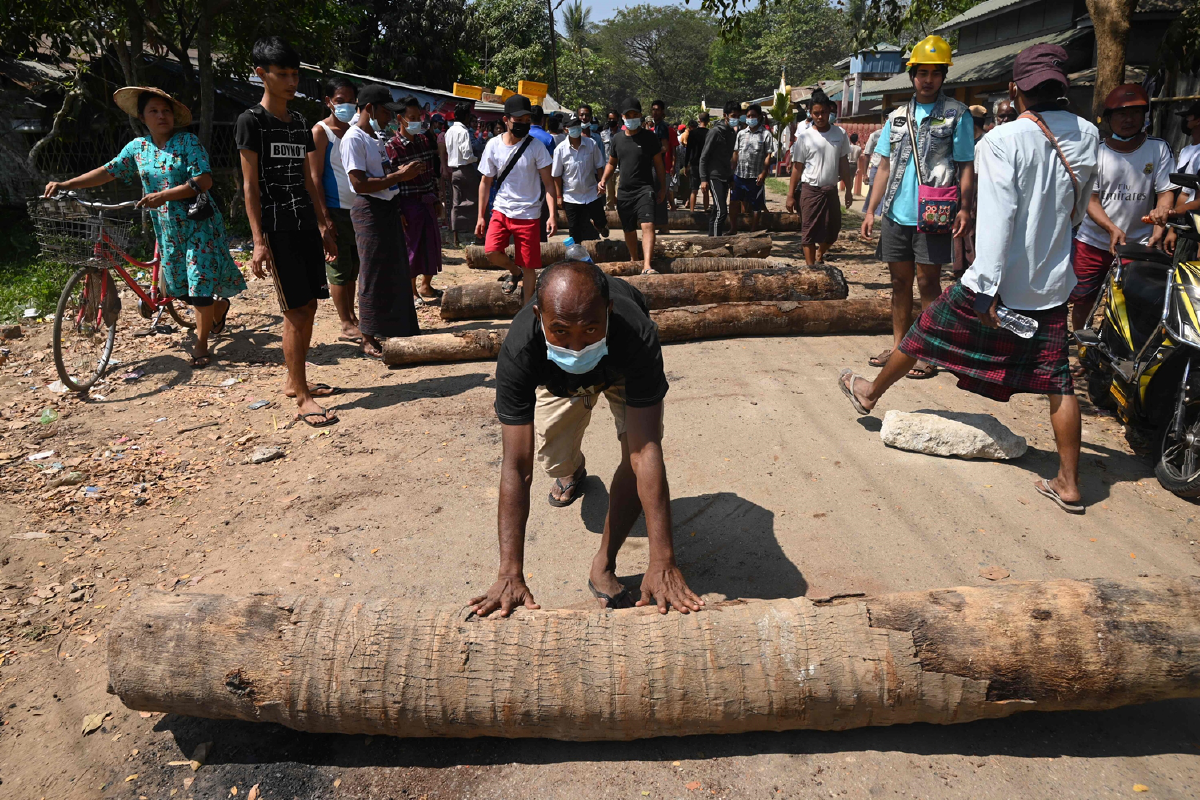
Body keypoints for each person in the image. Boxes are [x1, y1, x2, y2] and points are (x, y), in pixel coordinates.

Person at [839, 43, 1099, 514]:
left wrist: (987, 291)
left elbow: (997, 221)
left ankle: (870, 391)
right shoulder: (1087, 134)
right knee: (1058, 380)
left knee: (925, 331)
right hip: (1052, 282)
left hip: (994, 283)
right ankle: (1069, 481)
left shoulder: (1001, 141)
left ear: (1016, 88)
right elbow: (1078, 212)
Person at [471, 260, 703, 616]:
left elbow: (644, 452)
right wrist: (508, 573)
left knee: (635, 456)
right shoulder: (521, 348)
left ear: (608, 312)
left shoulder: (636, 333)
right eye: (561, 331)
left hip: (620, 367)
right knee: (553, 459)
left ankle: (604, 565)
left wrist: (663, 561)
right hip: (554, 379)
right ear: (538, 315)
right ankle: (573, 471)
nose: (577, 347)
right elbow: (517, 467)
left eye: (591, 329)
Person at [45, 86, 245, 369]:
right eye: (154, 111)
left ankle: (201, 347)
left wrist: (163, 196)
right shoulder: (137, 148)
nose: (161, 116)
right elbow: (107, 171)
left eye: (166, 111)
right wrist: (67, 183)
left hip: (199, 225)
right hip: (167, 229)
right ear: (142, 116)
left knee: (199, 285)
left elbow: (204, 181)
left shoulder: (188, 142)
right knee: (180, 288)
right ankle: (219, 308)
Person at [236, 37, 339, 427]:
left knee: (308, 305)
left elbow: (308, 181)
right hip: (276, 229)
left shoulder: (298, 123)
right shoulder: (251, 122)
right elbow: (249, 186)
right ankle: (303, 396)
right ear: (261, 74)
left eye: (295, 74)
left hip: (303, 226)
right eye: (283, 74)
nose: (291, 81)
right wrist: (258, 242)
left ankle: (295, 382)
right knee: (295, 310)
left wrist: (322, 226)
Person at [861, 35, 976, 380]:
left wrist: (965, 208)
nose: (927, 79)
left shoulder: (958, 114)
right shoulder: (896, 117)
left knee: (928, 283)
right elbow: (883, 166)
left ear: (943, 76)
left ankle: (927, 352)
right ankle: (899, 347)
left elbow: (966, 165)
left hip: (935, 214)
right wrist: (870, 210)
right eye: (921, 72)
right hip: (897, 213)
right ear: (912, 75)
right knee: (899, 283)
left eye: (934, 73)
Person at [1070, 84, 1176, 333]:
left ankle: (1117, 348)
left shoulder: (1158, 148)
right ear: (1108, 118)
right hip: (1093, 241)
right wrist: (1110, 228)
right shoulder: (1096, 152)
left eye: (1135, 113)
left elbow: (1165, 193)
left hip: (1139, 243)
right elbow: (1090, 201)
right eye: (1121, 113)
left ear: (1144, 116)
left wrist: (1161, 219)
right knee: (1084, 299)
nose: (1128, 119)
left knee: (1131, 301)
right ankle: (1082, 345)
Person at [341, 84, 422, 360]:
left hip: (387, 207)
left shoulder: (375, 136)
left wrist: (398, 178)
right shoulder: (353, 138)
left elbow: (382, 175)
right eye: (386, 112)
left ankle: (395, 327)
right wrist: (400, 177)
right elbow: (359, 183)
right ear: (369, 109)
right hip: (369, 211)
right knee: (372, 273)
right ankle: (367, 336)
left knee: (395, 268)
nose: (389, 117)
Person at [476, 94, 558, 305]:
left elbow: (549, 183)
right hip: (501, 210)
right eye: (517, 120)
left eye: (526, 120)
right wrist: (480, 217)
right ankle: (514, 270)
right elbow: (485, 182)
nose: (522, 124)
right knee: (491, 251)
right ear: (506, 120)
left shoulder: (536, 147)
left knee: (530, 266)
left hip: (529, 214)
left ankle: (526, 310)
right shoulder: (493, 145)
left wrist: (552, 215)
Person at [308, 77, 361, 344]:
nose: (347, 106)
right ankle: (345, 323)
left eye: (352, 101)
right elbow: (314, 177)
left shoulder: (354, 129)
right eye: (341, 101)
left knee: (353, 266)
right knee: (339, 267)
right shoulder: (321, 132)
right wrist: (324, 217)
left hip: (356, 208)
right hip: (335, 208)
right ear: (328, 101)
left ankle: (352, 317)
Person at [385, 96, 446, 305]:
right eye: (412, 118)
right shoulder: (392, 146)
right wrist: (398, 211)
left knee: (431, 246)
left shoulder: (423, 141)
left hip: (427, 201)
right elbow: (391, 182)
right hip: (407, 204)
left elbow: (431, 174)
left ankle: (426, 285)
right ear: (400, 119)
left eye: (418, 117)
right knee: (411, 249)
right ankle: (411, 291)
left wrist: (437, 200)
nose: (416, 121)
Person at [786, 90, 854, 265]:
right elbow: (797, 168)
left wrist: (849, 190)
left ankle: (820, 252)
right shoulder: (805, 137)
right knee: (808, 231)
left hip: (830, 190)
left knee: (833, 230)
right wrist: (790, 195)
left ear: (829, 111)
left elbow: (844, 163)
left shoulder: (840, 134)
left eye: (823, 112)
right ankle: (811, 270)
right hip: (810, 190)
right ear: (810, 113)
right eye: (816, 113)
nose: (820, 116)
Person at [601, 98, 667, 275]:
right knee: (628, 229)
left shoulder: (650, 138)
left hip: (645, 189)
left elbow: (659, 165)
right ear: (623, 117)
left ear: (640, 116)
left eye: (635, 115)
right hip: (624, 192)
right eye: (628, 115)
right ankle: (634, 259)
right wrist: (603, 180)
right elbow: (611, 164)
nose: (631, 118)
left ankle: (647, 264)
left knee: (648, 225)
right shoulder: (617, 140)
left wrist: (663, 188)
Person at [552, 114, 609, 242]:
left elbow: (599, 165)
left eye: (577, 126)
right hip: (571, 196)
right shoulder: (560, 150)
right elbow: (556, 175)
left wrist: (601, 183)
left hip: (591, 193)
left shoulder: (591, 144)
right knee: (574, 230)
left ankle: (601, 226)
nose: (576, 129)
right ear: (566, 129)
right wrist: (559, 196)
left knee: (600, 221)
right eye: (572, 127)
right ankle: (576, 256)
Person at [730, 103, 773, 233]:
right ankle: (733, 228)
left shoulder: (766, 134)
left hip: (755, 176)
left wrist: (764, 172)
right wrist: (732, 172)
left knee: (756, 205)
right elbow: (736, 153)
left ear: (759, 117)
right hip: (739, 175)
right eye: (748, 116)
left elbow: (768, 155)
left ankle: (753, 230)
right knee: (734, 202)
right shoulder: (741, 133)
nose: (750, 118)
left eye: (753, 115)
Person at [698, 100, 739, 237]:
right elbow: (704, 157)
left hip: (725, 176)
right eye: (733, 115)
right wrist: (704, 179)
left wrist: (731, 178)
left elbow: (728, 158)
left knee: (716, 210)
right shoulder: (715, 132)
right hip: (714, 176)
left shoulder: (732, 134)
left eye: (737, 116)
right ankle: (716, 241)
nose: (735, 119)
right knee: (722, 211)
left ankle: (711, 240)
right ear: (725, 115)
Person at [445, 101, 481, 248]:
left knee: (456, 203)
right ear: (466, 116)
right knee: (475, 201)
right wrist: (478, 158)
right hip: (466, 169)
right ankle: (477, 236)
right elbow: (467, 155)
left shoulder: (449, 132)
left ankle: (456, 238)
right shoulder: (464, 131)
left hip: (454, 171)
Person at [649, 99, 678, 214]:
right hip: (656, 166)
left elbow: (665, 147)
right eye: (653, 110)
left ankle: (662, 224)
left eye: (658, 110)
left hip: (660, 166)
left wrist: (651, 152)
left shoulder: (662, 127)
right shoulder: (656, 126)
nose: (655, 112)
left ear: (662, 112)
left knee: (660, 195)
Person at [686, 112, 710, 210]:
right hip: (706, 165)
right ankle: (705, 211)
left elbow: (688, 150)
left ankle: (692, 212)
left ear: (699, 120)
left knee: (694, 190)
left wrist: (686, 164)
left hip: (694, 164)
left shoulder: (692, 133)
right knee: (706, 190)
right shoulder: (710, 133)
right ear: (708, 121)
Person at [601, 110, 622, 209]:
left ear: (618, 119)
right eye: (610, 119)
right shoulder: (603, 134)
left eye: (613, 119)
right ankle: (610, 219)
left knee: (619, 196)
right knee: (609, 197)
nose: (611, 121)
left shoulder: (622, 134)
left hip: (620, 169)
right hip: (607, 169)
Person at [860, 125, 883, 213]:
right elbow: (867, 153)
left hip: (891, 169)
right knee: (873, 193)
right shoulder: (876, 135)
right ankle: (869, 214)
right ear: (885, 119)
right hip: (876, 168)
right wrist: (864, 174)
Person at [848, 132, 863, 198]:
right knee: (851, 180)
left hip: (847, 164)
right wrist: (858, 168)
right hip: (854, 165)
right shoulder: (859, 148)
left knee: (846, 179)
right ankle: (849, 193)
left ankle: (847, 192)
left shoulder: (848, 147)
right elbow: (859, 159)